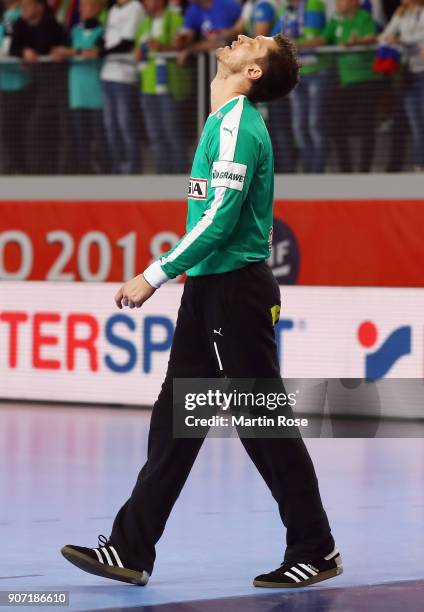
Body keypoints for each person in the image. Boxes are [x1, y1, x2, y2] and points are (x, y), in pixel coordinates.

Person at [61, 32, 342, 589]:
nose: (239, 38)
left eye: (252, 42)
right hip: (210, 292)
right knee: (175, 422)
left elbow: (217, 218)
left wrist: (154, 274)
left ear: (254, 71)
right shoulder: (221, 121)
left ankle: (316, 547)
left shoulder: (238, 124)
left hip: (234, 293)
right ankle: (129, 548)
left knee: (263, 424)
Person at [306, 0, 381, 172]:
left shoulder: (364, 17)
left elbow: (372, 37)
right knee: (335, 123)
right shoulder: (336, 20)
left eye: (342, 0)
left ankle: (364, 169)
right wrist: (297, 44)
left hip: (367, 80)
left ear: (354, 2)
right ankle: (345, 168)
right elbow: (323, 39)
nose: (338, 3)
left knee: (366, 123)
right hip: (346, 82)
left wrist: (358, 42)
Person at [52, 0, 109, 173]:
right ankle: (85, 172)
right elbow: (57, 52)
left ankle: (106, 172)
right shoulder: (74, 32)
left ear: (97, 8)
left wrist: (71, 52)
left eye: (86, 6)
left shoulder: (102, 32)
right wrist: (70, 52)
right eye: (81, 6)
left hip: (97, 96)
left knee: (100, 140)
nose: (82, 9)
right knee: (80, 140)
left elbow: (93, 53)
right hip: (77, 96)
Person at [10, 0, 66, 174]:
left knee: (39, 125)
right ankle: (24, 168)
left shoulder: (51, 25)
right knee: (19, 122)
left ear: (39, 7)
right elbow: (14, 47)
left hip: (52, 82)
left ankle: (45, 169)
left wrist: (32, 51)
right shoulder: (19, 23)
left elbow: (49, 47)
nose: (23, 10)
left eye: (27, 6)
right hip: (29, 82)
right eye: (22, 6)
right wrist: (24, 51)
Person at [134, 0, 189, 173]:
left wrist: (162, 47)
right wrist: (137, 53)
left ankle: (181, 175)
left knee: (172, 133)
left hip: (168, 86)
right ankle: (162, 175)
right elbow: (138, 50)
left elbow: (182, 45)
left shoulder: (175, 18)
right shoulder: (144, 23)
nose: (145, 3)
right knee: (155, 136)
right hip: (148, 87)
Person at [280, 0, 329, 173]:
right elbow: (279, 39)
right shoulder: (284, 9)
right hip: (296, 74)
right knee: (298, 126)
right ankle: (308, 170)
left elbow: (313, 38)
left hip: (316, 71)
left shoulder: (314, 5)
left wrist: (292, 43)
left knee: (314, 123)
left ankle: (318, 171)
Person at [101, 0, 144, 174]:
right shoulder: (112, 10)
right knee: (110, 126)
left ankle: (132, 169)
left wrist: (101, 52)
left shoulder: (135, 7)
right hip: (107, 74)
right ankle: (117, 168)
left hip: (124, 75)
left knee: (125, 124)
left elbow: (127, 41)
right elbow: (106, 39)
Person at [380, 0, 424, 171]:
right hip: (409, 74)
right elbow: (384, 36)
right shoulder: (401, 13)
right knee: (415, 122)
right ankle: (419, 164)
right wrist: (397, 41)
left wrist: (401, 41)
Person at [0, 0, 30, 174]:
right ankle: (10, 166)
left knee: (13, 127)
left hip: (17, 83)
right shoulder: (5, 18)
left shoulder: (19, 18)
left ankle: (18, 167)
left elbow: (14, 46)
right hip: (3, 82)